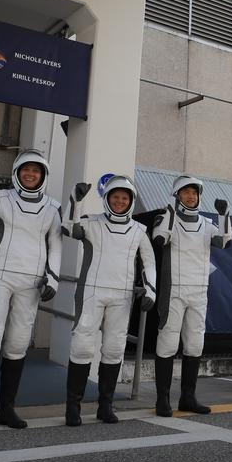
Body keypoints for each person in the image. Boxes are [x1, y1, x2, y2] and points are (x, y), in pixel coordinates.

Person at [0, 150, 62, 434]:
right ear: (17, 172)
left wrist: (52, 278)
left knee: (17, 345)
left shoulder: (53, 207)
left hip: (31, 283)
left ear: (43, 175)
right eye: (26, 169)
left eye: (36, 170)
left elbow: (56, 245)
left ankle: (7, 409)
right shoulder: (1, 197)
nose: (31, 174)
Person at [63, 175, 156, 426]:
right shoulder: (91, 222)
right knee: (82, 347)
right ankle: (73, 407)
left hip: (122, 296)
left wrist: (150, 290)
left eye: (124, 198)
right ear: (107, 198)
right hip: (91, 292)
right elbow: (69, 229)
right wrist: (76, 201)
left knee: (114, 350)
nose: (119, 201)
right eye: (115, 197)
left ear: (131, 201)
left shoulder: (139, 230)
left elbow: (149, 261)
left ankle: (106, 406)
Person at [150, 175, 231, 416]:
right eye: (185, 192)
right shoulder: (167, 218)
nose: (191, 196)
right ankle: (162, 399)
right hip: (174, 290)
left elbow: (225, 242)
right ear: (177, 195)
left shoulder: (206, 224)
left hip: (199, 291)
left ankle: (188, 397)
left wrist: (224, 215)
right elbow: (159, 238)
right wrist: (171, 214)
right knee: (167, 343)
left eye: (194, 192)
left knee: (195, 344)